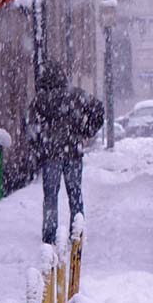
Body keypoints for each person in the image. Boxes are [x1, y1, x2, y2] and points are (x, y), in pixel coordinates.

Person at [31, 62, 104, 244]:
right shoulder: (76, 95)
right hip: (73, 151)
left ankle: (49, 234)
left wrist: (40, 145)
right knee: (75, 193)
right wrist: (86, 130)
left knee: (50, 196)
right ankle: (77, 231)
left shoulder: (40, 100)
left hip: (51, 154)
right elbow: (98, 109)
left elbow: (31, 126)